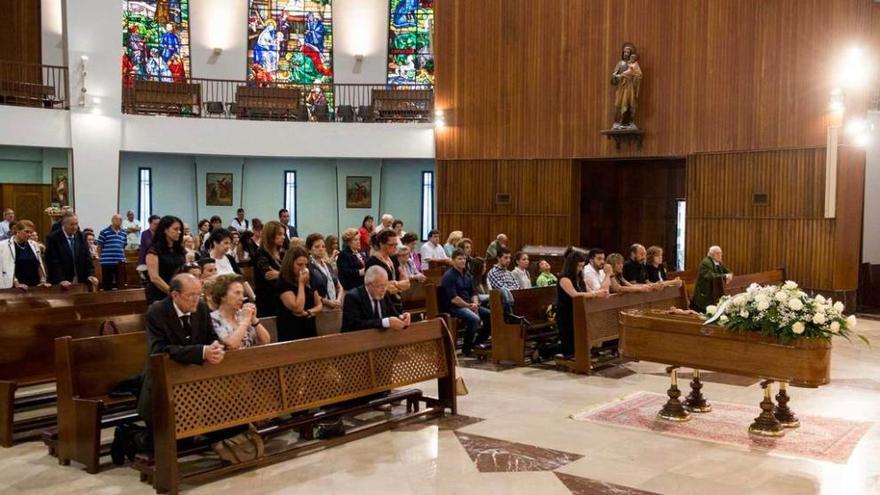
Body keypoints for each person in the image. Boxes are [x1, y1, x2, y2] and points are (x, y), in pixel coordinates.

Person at [136, 274, 225, 427]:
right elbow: (159, 349)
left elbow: (211, 336)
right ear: (175, 295)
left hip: (195, 380)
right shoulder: (157, 312)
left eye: (199, 294)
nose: (196, 299)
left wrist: (216, 347)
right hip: (163, 381)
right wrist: (202, 352)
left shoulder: (202, 307)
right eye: (191, 295)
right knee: (170, 439)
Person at [441, 249, 490, 356]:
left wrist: (475, 304)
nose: (463, 261)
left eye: (464, 258)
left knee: (490, 315)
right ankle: (466, 348)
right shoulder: (449, 276)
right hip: (454, 308)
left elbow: (473, 293)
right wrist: (469, 306)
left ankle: (477, 343)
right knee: (474, 318)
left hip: (469, 305)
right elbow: (454, 299)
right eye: (459, 259)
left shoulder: (467, 275)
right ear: (453, 261)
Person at [555, 249, 603, 358]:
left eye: (582, 266)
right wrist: (596, 294)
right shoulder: (564, 278)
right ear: (572, 265)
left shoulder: (580, 279)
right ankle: (543, 350)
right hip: (566, 314)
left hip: (579, 312)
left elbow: (588, 292)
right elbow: (575, 294)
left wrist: (598, 293)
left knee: (578, 343)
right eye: (578, 266)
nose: (580, 269)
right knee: (569, 348)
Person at [341, 266, 411, 332]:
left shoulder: (384, 294)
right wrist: (385, 322)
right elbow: (355, 325)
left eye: (385, 285)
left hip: (380, 340)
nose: (383, 289)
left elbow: (393, 314)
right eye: (380, 286)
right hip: (354, 341)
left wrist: (402, 318)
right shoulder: (352, 297)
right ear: (369, 285)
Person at [210, 274, 271, 349]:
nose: (242, 298)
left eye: (242, 294)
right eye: (237, 293)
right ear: (223, 296)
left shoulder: (242, 314)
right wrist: (245, 321)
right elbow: (232, 345)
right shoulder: (213, 319)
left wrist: (254, 320)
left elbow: (266, 341)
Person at [275, 246, 323, 341]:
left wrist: (309, 312)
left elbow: (319, 304)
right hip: (291, 331)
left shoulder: (309, 278)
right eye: (299, 264)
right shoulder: (283, 283)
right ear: (290, 264)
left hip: (309, 328)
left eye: (306, 264)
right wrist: (301, 284)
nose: (303, 268)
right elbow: (298, 307)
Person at [45, 212, 98, 288]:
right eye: (72, 224)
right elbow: (52, 262)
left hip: (81, 281)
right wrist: (61, 280)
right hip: (61, 282)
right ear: (64, 225)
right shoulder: (53, 238)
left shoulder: (81, 236)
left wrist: (90, 275)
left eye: (76, 224)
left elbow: (87, 258)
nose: (75, 227)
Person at [144, 216, 187, 303]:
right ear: (165, 230)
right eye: (176, 229)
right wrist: (172, 293)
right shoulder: (153, 250)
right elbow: (154, 278)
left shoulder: (179, 249)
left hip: (178, 291)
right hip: (159, 294)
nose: (179, 232)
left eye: (180, 229)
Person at [0, 220, 49, 289]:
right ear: (17, 231)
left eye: (31, 232)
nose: (29, 234)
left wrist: (42, 281)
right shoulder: (4, 246)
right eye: (26, 232)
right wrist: (16, 283)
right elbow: (5, 267)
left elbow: (38, 264)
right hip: (15, 287)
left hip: (34, 285)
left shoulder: (33, 244)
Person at [253, 221, 285, 317]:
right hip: (267, 299)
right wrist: (283, 275)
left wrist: (280, 274)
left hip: (280, 297)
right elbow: (268, 275)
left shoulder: (282, 253)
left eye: (283, 234)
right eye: (279, 234)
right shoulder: (261, 253)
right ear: (270, 235)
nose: (283, 237)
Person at [306, 233, 343, 311]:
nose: (321, 249)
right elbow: (309, 292)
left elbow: (339, 287)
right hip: (319, 307)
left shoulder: (327, 265)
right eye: (317, 247)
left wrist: (338, 300)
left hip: (335, 306)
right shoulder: (308, 266)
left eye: (323, 246)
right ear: (309, 249)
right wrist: (327, 302)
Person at [692, 245, 733, 312]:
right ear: (712, 254)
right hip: (705, 295)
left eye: (720, 253)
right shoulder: (706, 262)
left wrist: (730, 274)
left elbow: (728, 271)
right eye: (718, 253)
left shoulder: (718, 262)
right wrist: (725, 276)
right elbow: (710, 276)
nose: (720, 255)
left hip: (714, 292)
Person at [97, 214, 128, 290]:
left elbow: (123, 247)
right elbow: (99, 246)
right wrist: (100, 259)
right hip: (107, 262)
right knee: (107, 284)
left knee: (120, 283)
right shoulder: (104, 232)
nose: (119, 221)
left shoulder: (124, 233)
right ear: (112, 220)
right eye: (116, 219)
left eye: (120, 220)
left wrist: (123, 258)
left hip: (120, 262)